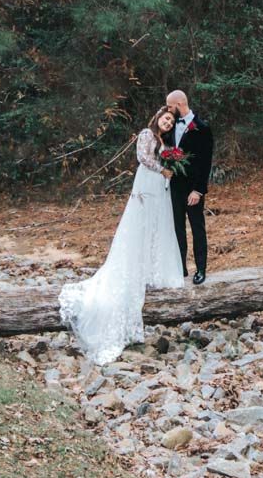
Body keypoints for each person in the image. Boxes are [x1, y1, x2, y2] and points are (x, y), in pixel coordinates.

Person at [58, 106, 185, 365]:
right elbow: (143, 158)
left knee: (156, 229)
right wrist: (163, 169)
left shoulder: (164, 141)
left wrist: (169, 166)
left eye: (171, 121)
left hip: (159, 190)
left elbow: (161, 159)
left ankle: (153, 271)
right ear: (158, 117)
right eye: (166, 119)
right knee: (137, 231)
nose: (168, 123)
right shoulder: (146, 135)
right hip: (146, 185)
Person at [164, 89, 214, 285]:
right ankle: (181, 267)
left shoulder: (202, 128)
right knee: (177, 228)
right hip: (175, 187)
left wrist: (198, 190)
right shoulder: (170, 125)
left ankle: (201, 269)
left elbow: (205, 163)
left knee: (197, 228)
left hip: (193, 189)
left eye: (169, 106)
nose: (167, 110)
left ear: (179, 105)